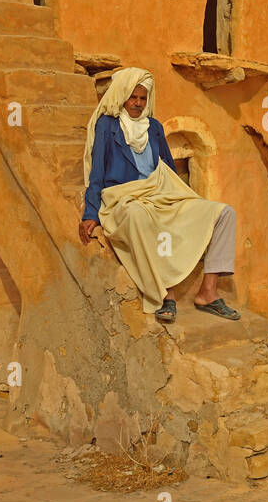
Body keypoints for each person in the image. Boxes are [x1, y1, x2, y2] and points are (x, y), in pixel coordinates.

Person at [77, 67, 241, 323]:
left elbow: (168, 168)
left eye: (143, 98)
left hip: (159, 194)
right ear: (122, 96)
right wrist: (90, 213)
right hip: (124, 198)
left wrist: (178, 196)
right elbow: (97, 173)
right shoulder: (107, 126)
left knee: (223, 213)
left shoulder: (153, 127)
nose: (138, 103)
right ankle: (167, 294)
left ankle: (208, 292)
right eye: (133, 97)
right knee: (138, 215)